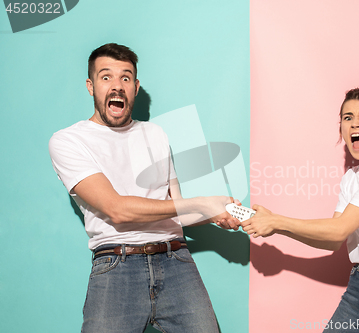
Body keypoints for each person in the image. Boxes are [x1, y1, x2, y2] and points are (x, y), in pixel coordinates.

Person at [49, 43, 240, 333]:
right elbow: (117, 210)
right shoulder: (68, 141)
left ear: (136, 87)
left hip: (176, 261)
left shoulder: (156, 133)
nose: (117, 86)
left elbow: (178, 210)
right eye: (106, 77)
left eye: (125, 78)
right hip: (116, 265)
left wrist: (216, 213)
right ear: (90, 86)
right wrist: (203, 203)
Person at [242, 86, 359, 332]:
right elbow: (332, 241)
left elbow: (338, 229)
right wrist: (275, 227)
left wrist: (276, 221)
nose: (355, 124)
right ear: (341, 128)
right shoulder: (351, 178)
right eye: (348, 117)